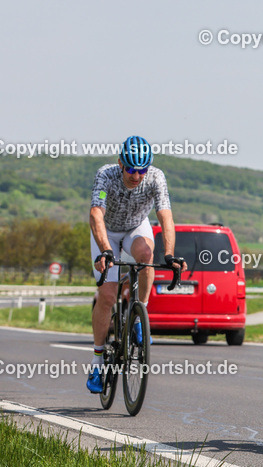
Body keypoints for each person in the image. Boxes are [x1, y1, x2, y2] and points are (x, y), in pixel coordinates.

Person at [88, 135, 183, 393]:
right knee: (107, 296)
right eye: (131, 169)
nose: (136, 176)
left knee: (146, 255)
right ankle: (97, 362)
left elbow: (165, 216)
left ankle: (140, 316)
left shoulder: (155, 177)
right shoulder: (106, 175)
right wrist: (105, 250)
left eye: (142, 170)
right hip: (107, 232)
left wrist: (170, 254)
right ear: (121, 163)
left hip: (135, 228)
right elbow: (96, 213)